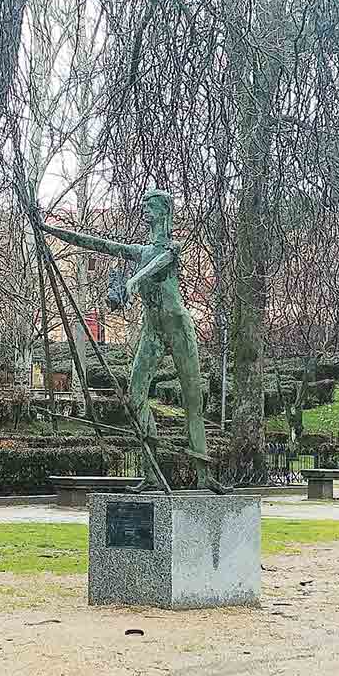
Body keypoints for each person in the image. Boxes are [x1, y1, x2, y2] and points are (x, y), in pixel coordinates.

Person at [36, 189, 222, 491]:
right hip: (152, 329)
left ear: (164, 211)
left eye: (150, 206)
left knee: (192, 403)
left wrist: (132, 283)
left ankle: (204, 475)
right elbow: (97, 243)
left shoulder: (172, 248)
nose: (143, 210)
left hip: (177, 327)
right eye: (143, 205)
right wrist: (49, 229)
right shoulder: (139, 251)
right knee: (135, 397)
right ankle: (151, 473)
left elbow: (157, 265)